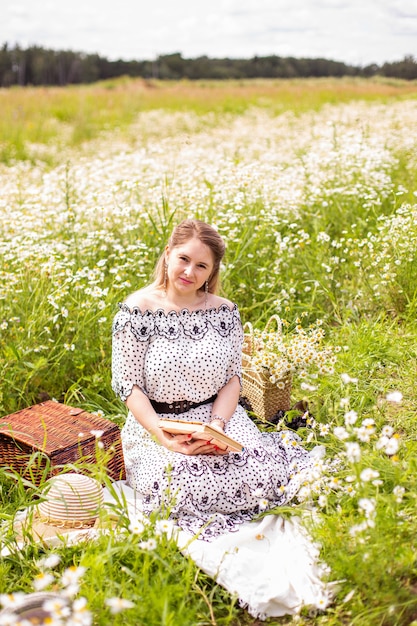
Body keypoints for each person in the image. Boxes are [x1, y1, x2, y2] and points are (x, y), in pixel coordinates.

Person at [111, 219, 318, 540]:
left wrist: (218, 427)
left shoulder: (224, 312)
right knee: (179, 488)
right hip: (157, 422)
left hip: (217, 418)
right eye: (183, 259)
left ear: (212, 272)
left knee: (264, 476)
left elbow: (232, 381)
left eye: (201, 265)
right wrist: (163, 437)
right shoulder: (137, 311)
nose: (189, 272)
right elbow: (129, 386)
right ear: (167, 255)